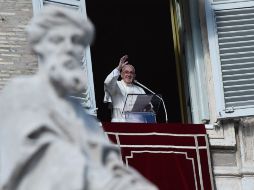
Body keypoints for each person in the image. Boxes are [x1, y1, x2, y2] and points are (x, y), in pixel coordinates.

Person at [0, 6, 157, 190]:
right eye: (60, 40)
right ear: (40, 46)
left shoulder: (81, 115)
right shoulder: (20, 94)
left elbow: (110, 167)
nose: (70, 50)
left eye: (77, 43)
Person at [104, 55, 146, 122]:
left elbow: (147, 108)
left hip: (138, 125)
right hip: (120, 124)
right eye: (126, 72)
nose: (129, 75)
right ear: (121, 74)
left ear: (134, 76)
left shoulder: (140, 90)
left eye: (131, 73)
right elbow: (107, 82)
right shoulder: (116, 85)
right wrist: (119, 67)